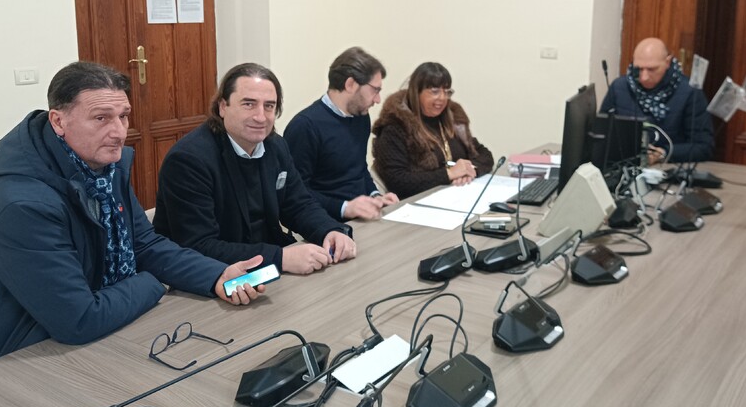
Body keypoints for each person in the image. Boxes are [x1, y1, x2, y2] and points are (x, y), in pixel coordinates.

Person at [0, 62, 265, 370]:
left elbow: (144, 244)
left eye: (123, 116)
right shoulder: (22, 206)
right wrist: (156, 283)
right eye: (101, 118)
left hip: (90, 339)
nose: (119, 132)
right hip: (17, 364)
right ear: (58, 121)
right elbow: (79, 320)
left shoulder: (104, 170)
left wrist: (216, 275)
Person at [154, 62, 357, 276]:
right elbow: (199, 246)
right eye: (249, 104)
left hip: (267, 269)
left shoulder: (276, 146)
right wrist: (280, 259)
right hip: (216, 276)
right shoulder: (188, 160)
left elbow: (298, 204)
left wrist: (330, 230)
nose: (261, 117)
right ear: (223, 107)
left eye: (269, 106)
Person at [283, 47, 398, 221]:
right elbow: (295, 192)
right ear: (350, 84)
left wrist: (375, 196)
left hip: (362, 217)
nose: (378, 99)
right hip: (326, 223)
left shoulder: (361, 116)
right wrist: (344, 208)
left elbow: (359, 169)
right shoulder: (305, 126)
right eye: (375, 90)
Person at [371, 61, 495, 199]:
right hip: (416, 203)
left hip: (456, 197)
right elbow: (398, 182)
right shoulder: (395, 126)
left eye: (447, 92)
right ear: (416, 92)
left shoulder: (453, 120)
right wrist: (449, 174)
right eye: (435, 92)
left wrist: (470, 170)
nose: (442, 98)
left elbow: (484, 154)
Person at [600, 37, 714, 164]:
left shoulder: (689, 92)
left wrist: (663, 153)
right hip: (625, 166)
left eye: (652, 69)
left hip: (669, 168)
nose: (644, 77)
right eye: (638, 69)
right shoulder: (619, 87)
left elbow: (703, 147)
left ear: (667, 62)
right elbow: (601, 135)